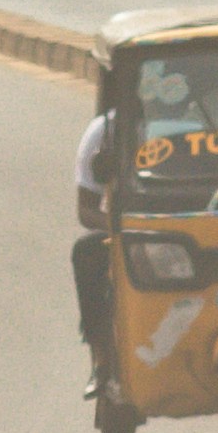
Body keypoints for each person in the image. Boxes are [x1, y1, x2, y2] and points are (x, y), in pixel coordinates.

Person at [72, 76, 117, 378]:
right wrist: (122, 227)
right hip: (132, 236)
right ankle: (101, 356)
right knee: (87, 251)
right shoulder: (105, 132)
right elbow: (87, 210)